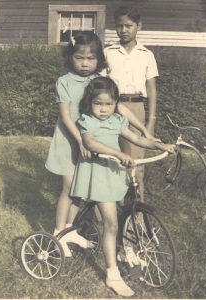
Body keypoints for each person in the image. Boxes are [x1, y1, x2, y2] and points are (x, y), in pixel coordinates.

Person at [45, 32, 157, 257]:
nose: (85, 64)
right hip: (70, 141)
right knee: (68, 188)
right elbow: (66, 117)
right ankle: (59, 233)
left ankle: (70, 228)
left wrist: (143, 128)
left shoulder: (97, 81)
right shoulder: (64, 81)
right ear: (70, 57)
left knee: (79, 191)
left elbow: (120, 108)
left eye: (91, 59)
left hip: (91, 141)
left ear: (99, 59)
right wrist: (80, 141)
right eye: (79, 58)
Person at [70, 76, 175, 297]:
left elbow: (137, 139)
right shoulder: (87, 120)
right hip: (98, 175)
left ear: (115, 103)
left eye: (108, 104)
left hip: (115, 173)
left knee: (123, 213)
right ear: (90, 103)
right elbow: (90, 142)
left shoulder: (117, 120)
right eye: (98, 103)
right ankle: (112, 274)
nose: (103, 109)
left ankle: (121, 252)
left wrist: (159, 144)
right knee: (111, 224)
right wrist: (118, 153)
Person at [104, 5, 159, 201]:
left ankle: (137, 218)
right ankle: (104, 214)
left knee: (136, 165)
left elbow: (151, 89)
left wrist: (150, 122)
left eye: (129, 25)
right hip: (110, 109)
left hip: (136, 108)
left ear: (138, 26)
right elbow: (100, 86)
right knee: (110, 161)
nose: (124, 30)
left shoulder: (146, 54)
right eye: (119, 26)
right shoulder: (108, 53)